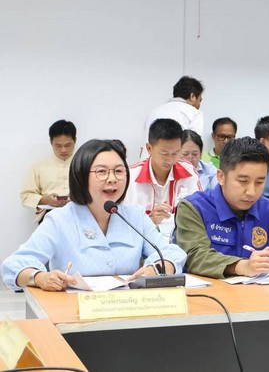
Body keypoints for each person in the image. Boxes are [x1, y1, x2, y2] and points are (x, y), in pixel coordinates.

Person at [3, 140, 186, 291]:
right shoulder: (59, 220)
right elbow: (13, 265)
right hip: (74, 312)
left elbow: (172, 253)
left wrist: (156, 269)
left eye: (119, 171)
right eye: (101, 172)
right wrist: (39, 277)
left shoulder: (134, 216)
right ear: (81, 176)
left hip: (128, 308)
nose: (112, 179)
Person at [174, 137, 269, 278]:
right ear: (221, 177)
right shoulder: (193, 208)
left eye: (259, 182)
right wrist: (240, 266)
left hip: (260, 292)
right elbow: (194, 255)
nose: (251, 192)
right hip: (209, 293)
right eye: (243, 181)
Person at [126, 119, 202, 232]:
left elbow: (200, 213)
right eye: (164, 153)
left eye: (175, 153)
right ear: (149, 148)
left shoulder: (189, 172)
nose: (170, 160)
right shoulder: (130, 177)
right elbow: (121, 223)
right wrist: (149, 220)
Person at [21, 120, 77, 223]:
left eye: (68, 145)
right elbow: (26, 196)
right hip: (48, 216)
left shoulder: (86, 165)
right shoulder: (38, 166)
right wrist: (46, 200)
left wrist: (77, 199)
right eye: (58, 145)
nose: (63, 150)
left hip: (79, 214)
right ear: (51, 142)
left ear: (75, 140)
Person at [142, 76, 205, 157]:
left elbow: (143, 148)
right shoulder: (194, 113)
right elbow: (194, 147)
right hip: (172, 163)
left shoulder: (153, 112)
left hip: (147, 162)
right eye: (200, 100)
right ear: (192, 96)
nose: (199, 104)